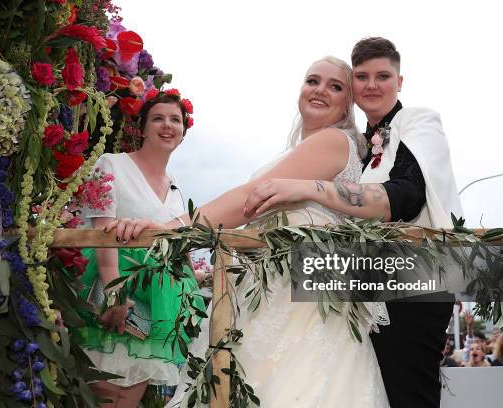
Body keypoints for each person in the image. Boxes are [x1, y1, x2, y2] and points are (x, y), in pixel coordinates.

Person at [107, 57, 391, 407]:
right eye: (312, 80)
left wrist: (173, 230)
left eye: (335, 87)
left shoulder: (333, 140)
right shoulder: (303, 150)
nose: (320, 90)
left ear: (349, 104)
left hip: (299, 301)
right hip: (277, 290)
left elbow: (247, 201)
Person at [242, 37, 463, 408]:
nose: (372, 85)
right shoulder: (356, 146)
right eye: (362, 76)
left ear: (400, 81)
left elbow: (405, 198)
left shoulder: (419, 120)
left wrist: (310, 188)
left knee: (409, 392)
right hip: (364, 287)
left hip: (415, 281)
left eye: (383, 76)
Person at [71, 91, 205, 407]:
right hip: (111, 286)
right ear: (141, 128)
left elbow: (177, 244)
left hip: (153, 304)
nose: (167, 125)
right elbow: (101, 231)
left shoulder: (176, 189)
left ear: (183, 132)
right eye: (158, 118)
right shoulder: (110, 164)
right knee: (106, 389)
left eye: (175, 120)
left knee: (129, 396)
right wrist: (115, 295)